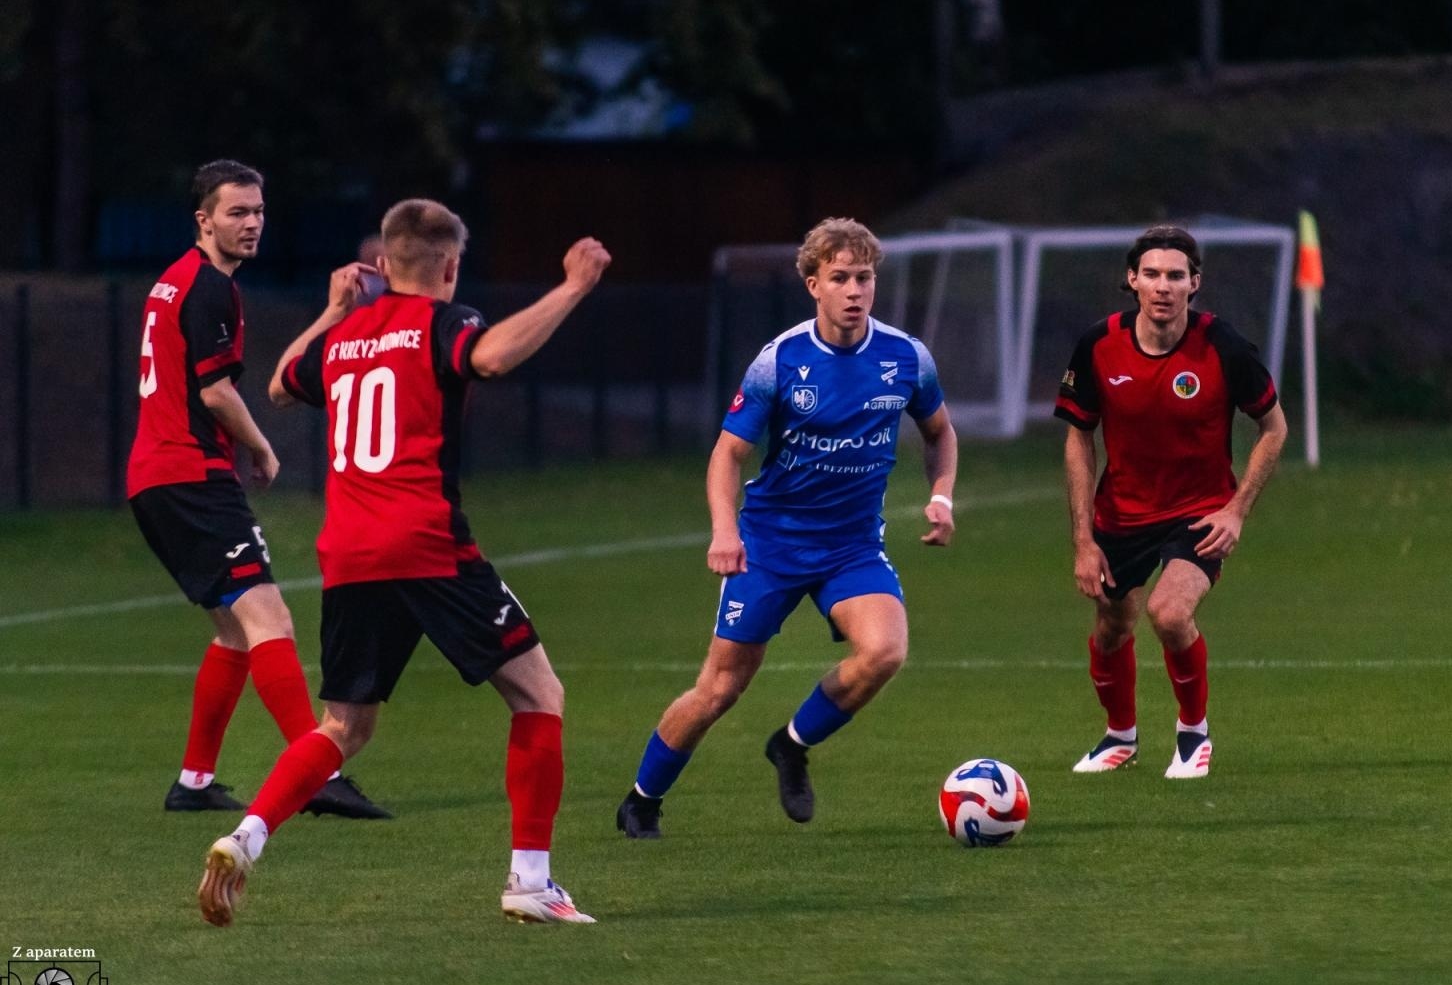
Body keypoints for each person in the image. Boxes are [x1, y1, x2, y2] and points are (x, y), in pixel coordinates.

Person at [197, 198, 611, 927]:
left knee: (343, 726)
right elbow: (491, 356)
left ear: (384, 265)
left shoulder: (348, 333)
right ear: (450, 267)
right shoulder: (445, 323)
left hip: (350, 553)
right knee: (539, 694)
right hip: (428, 544)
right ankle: (531, 881)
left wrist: (331, 309)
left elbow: (280, 381)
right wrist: (574, 287)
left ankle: (245, 835)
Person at [616, 217, 958, 839]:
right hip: (770, 547)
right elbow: (727, 455)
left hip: (851, 546)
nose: (855, 291)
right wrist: (726, 532)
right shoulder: (780, 361)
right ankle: (642, 798)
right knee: (718, 690)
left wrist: (941, 496)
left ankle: (792, 744)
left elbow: (939, 432)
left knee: (885, 650)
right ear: (813, 285)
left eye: (865, 277)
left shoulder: (906, 356)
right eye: (840, 278)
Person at [127, 159, 388, 820]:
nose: (251, 223)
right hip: (190, 476)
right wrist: (262, 446)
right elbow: (214, 391)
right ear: (203, 219)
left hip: (159, 477)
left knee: (236, 634)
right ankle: (314, 770)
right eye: (236, 212)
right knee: (271, 619)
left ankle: (193, 781)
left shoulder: (174, 281)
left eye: (258, 212)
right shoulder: (211, 287)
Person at [1054, 224, 1288, 780]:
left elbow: (1274, 428)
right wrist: (1084, 540)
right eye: (1152, 274)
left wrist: (1236, 510)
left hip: (1200, 510)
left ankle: (1192, 734)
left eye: (1176, 276)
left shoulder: (1224, 345)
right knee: (1112, 627)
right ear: (1132, 280)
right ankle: (1120, 737)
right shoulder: (1098, 344)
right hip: (1122, 513)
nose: (1163, 286)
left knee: (1169, 611)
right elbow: (1078, 437)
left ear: (1194, 284)